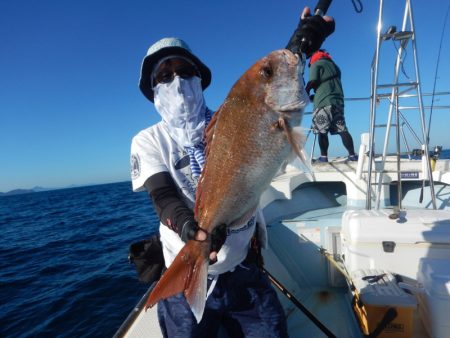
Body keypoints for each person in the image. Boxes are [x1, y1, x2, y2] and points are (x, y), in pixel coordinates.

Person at [130, 9, 336, 337]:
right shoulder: (148, 140)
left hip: (243, 268)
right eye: (164, 76)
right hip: (183, 264)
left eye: (185, 70)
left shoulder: (231, 115)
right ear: (152, 88)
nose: (177, 81)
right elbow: (163, 195)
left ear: (200, 78)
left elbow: (264, 96)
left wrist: (300, 46)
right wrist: (193, 233)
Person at [305, 49, 358, 163]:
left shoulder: (316, 64)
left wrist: (305, 92)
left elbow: (312, 81)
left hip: (323, 104)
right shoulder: (335, 67)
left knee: (321, 131)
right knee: (342, 130)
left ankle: (323, 157)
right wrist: (314, 97)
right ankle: (352, 155)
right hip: (338, 103)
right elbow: (328, 87)